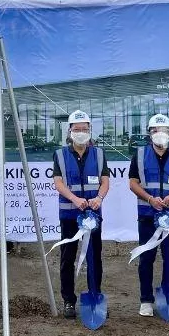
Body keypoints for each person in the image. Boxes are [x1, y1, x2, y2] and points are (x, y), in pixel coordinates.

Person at [128, 113, 169, 318]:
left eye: (164, 130)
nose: (160, 134)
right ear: (149, 133)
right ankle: (146, 300)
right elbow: (133, 183)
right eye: (155, 130)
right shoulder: (139, 155)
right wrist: (150, 199)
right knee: (146, 258)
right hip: (148, 216)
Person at [52, 110, 110, 319]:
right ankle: (68, 300)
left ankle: (95, 295)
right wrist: (75, 199)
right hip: (69, 215)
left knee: (95, 257)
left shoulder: (100, 154)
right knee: (68, 258)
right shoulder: (60, 155)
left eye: (85, 129)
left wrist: (99, 198)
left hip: (93, 216)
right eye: (77, 129)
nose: (81, 133)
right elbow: (58, 183)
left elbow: (105, 182)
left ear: (89, 130)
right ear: (69, 131)